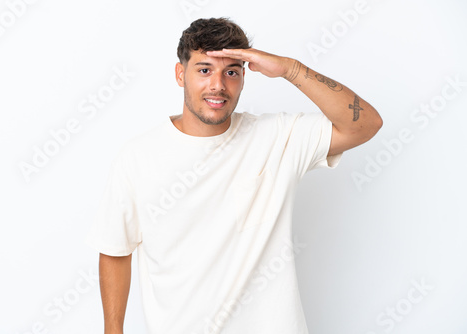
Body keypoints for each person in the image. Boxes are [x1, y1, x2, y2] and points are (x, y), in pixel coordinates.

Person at [85, 17, 382, 334]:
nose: (218, 85)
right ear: (179, 74)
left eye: (231, 72)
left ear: (244, 77)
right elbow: (116, 250)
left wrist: (291, 69)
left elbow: (364, 124)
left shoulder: (278, 137)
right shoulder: (138, 157)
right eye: (204, 70)